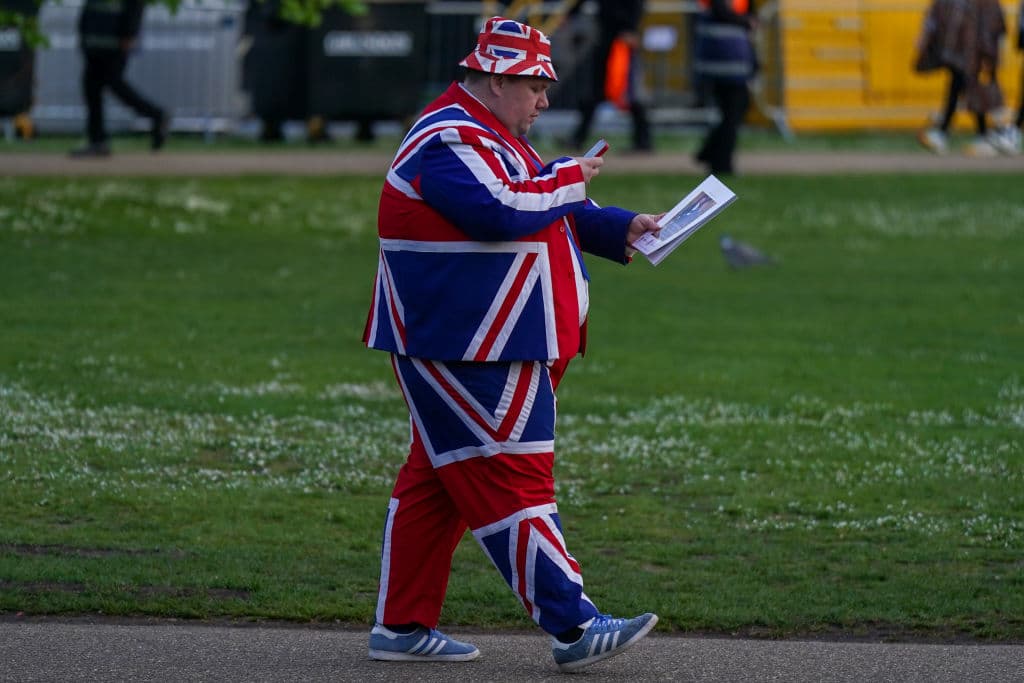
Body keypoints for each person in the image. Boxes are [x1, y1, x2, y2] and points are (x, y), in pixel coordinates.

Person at [362, 16, 662, 673]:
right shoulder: (447, 137)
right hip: (465, 344)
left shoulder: (486, 130)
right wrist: (568, 177)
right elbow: (500, 208)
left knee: (438, 479)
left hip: (480, 339)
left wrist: (621, 227)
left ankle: (402, 624)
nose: (544, 100)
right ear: (497, 80)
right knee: (512, 477)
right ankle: (574, 624)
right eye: (536, 86)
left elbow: (540, 201)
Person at [70, 0, 167, 157]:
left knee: (113, 83)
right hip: (94, 42)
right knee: (92, 88)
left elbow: (135, 5)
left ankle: (156, 115)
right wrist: (83, 33)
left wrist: (130, 33)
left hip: (114, 42)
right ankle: (97, 141)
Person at [914, 0, 1011, 156]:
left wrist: (989, 53)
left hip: (976, 55)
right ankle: (978, 134)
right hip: (965, 55)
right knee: (960, 90)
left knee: (978, 93)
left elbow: (994, 27)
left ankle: (998, 132)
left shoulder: (984, 4)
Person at [567, 0, 652, 153]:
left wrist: (631, 29)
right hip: (607, 39)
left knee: (629, 92)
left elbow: (637, 5)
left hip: (622, 42)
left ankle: (643, 140)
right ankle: (578, 138)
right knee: (596, 92)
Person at [693, 0, 757, 176]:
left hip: (730, 60)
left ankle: (710, 152)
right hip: (723, 61)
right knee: (733, 112)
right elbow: (721, 11)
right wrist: (746, 22)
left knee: (732, 112)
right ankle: (720, 162)